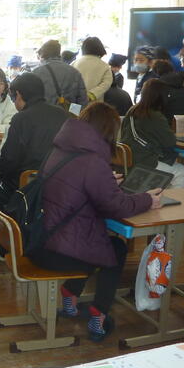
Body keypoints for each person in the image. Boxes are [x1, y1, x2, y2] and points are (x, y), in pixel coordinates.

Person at [33, 103, 161, 341]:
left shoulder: (60, 149)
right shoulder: (93, 161)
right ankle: (99, 314)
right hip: (60, 251)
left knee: (96, 245)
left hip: (42, 239)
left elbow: (75, 183)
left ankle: (70, 293)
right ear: (108, 131)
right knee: (115, 249)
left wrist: (105, 180)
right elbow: (116, 206)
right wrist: (147, 199)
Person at [0, 73, 69, 263]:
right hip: (59, 185)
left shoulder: (21, 119)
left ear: (19, 95)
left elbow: (9, 161)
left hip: (24, 186)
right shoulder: (64, 115)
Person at [121, 79, 184, 188]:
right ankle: (173, 198)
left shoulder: (132, 110)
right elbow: (170, 142)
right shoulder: (155, 116)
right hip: (143, 163)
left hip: (128, 161)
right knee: (180, 170)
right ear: (161, 97)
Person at [31, 39, 88, 108]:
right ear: (59, 53)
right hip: (67, 113)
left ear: (43, 54)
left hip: (43, 113)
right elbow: (82, 101)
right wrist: (71, 112)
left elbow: (30, 100)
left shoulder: (36, 73)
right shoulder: (74, 72)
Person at [72, 37, 112, 102]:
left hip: (75, 101)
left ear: (83, 48)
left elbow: (68, 81)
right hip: (94, 103)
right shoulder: (104, 66)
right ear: (100, 48)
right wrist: (91, 95)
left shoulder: (74, 63)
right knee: (92, 109)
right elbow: (106, 84)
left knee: (74, 109)